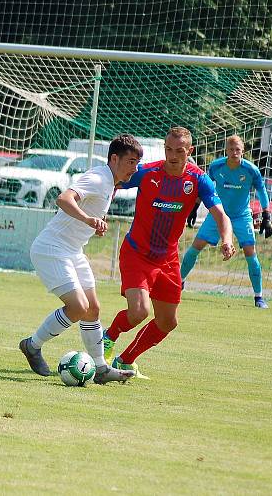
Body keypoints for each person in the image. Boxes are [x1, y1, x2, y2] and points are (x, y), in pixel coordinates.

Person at [102, 126, 236, 378]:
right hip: (137, 253)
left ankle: (125, 360)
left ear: (190, 151)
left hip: (167, 260)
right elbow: (112, 180)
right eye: (168, 149)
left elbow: (221, 215)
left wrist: (227, 240)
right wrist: (99, 211)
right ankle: (108, 337)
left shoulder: (198, 180)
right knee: (139, 311)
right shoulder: (148, 172)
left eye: (179, 151)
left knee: (167, 322)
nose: (172, 155)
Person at [19, 134, 143, 384]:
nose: (134, 168)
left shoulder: (110, 182)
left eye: (137, 163)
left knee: (93, 309)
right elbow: (64, 198)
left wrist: (93, 224)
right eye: (130, 162)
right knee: (78, 307)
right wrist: (87, 219)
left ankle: (100, 368)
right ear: (114, 158)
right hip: (52, 249)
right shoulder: (99, 178)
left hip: (73, 251)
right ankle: (32, 345)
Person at [180, 135, 272, 308]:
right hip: (218, 214)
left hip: (241, 216)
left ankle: (259, 297)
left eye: (237, 149)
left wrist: (267, 215)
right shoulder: (216, 166)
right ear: (226, 150)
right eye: (231, 149)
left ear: (242, 151)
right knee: (195, 247)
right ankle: (179, 282)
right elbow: (205, 187)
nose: (234, 152)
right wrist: (194, 206)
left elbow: (261, 190)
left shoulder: (251, 170)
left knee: (250, 253)